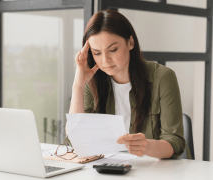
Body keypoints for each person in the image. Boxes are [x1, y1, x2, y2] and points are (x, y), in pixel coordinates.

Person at [66, 9, 191, 159]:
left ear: (130, 42)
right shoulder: (92, 81)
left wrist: (147, 146)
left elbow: (176, 142)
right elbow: (75, 137)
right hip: (111, 168)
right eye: (97, 53)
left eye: (112, 49)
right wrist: (78, 85)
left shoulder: (162, 77)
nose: (105, 60)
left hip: (158, 169)